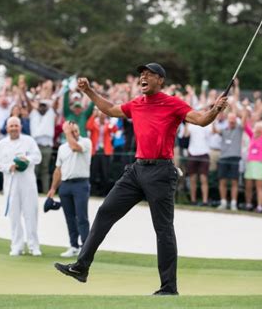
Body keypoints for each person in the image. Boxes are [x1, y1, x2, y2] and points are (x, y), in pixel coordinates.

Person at [54, 63, 228, 295]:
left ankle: (169, 287)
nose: (143, 77)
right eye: (141, 74)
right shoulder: (137, 103)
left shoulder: (173, 102)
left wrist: (215, 109)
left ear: (161, 80)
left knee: (163, 229)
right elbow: (110, 109)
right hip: (136, 170)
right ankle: (81, 267)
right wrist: (88, 91)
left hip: (161, 172)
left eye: (149, 74)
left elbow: (201, 119)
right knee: (105, 211)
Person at [0, 117, 42, 256]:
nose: (14, 128)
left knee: (30, 214)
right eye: (11, 126)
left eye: (16, 125)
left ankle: (34, 246)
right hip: (11, 184)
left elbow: (37, 157)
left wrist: (27, 160)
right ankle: (17, 246)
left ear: (20, 127)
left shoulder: (29, 141)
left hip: (28, 183)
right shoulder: (2, 144)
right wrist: (9, 167)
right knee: (14, 216)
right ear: (7, 128)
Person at [47, 121, 92, 258]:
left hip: (81, 184)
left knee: (82, 217)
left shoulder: (86, 142)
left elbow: (75, 147)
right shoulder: (62, 148)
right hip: (65, 185)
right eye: (71, 131)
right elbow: (58, 169)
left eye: (76, 131)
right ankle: (74, 246)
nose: (74, 133)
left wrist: (67, 131)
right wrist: (53, 188)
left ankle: (86, 248)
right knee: (69, 217)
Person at [214, 112, 244, 210]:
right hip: (223, 157)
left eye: (233, 120)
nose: (231, 122)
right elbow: (214, 130)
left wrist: (245, 110)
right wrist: (214, 117)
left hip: (235, 158)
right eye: (230, 120)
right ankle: (223, 202)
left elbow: (244, 120)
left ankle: (233, 203)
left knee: (234, 181)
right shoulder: (224, 130)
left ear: (235, 120)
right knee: (222, 180)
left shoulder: (239, 129)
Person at [28, 99, 56, 193]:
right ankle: (32, 192)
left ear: (47, 107)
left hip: (47, 147)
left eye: (44, 106)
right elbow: (29, 104)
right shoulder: (34, 113)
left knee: (45, 170)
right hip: (35, 147)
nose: (42, 107)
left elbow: (55, 103)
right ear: (38, 107)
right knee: (34, 170)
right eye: (41, 106)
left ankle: (45, 192)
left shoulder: (50, 114)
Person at [184, 121, 211, 205]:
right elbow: (185, 135)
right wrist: (187, 123)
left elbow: (211, 133)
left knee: (204, 179)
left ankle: (205, 201)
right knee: (192, 179)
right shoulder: (191, 124)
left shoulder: (208, 123)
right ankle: (193, 200)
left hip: (204, 153)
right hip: (192, 153)